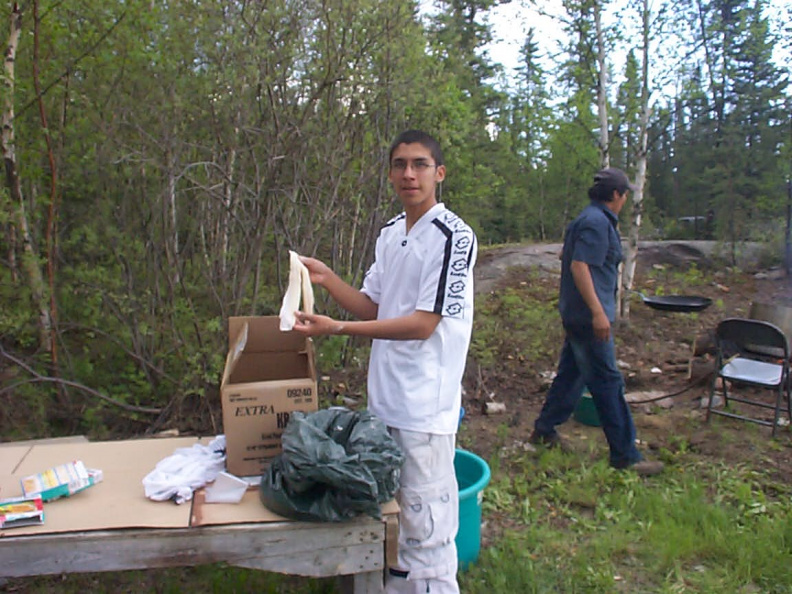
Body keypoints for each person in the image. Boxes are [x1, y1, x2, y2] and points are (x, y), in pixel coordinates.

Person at [292, 129, 477, 594]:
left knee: (424, 523)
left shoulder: (452, 236)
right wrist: (329, 280)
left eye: (419, 164)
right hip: (384, 401)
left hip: (424, 407)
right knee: (386, 513)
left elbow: (421, 324)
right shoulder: (392, 233)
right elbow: (377, 306)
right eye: (399, 165)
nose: (408, 174)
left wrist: (337, 330)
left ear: (439, 173)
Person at [529, 167, 664, 476]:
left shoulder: (589, 219)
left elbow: (576, 258)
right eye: (625, 193)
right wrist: (598, 312)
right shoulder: (595, 223)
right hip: (588, 319)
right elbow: (579, 266)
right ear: (616, 195)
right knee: (608, 383)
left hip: (579, 315)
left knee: (571, 375)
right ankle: (626, 456)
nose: (627, 198)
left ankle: (544, 430)